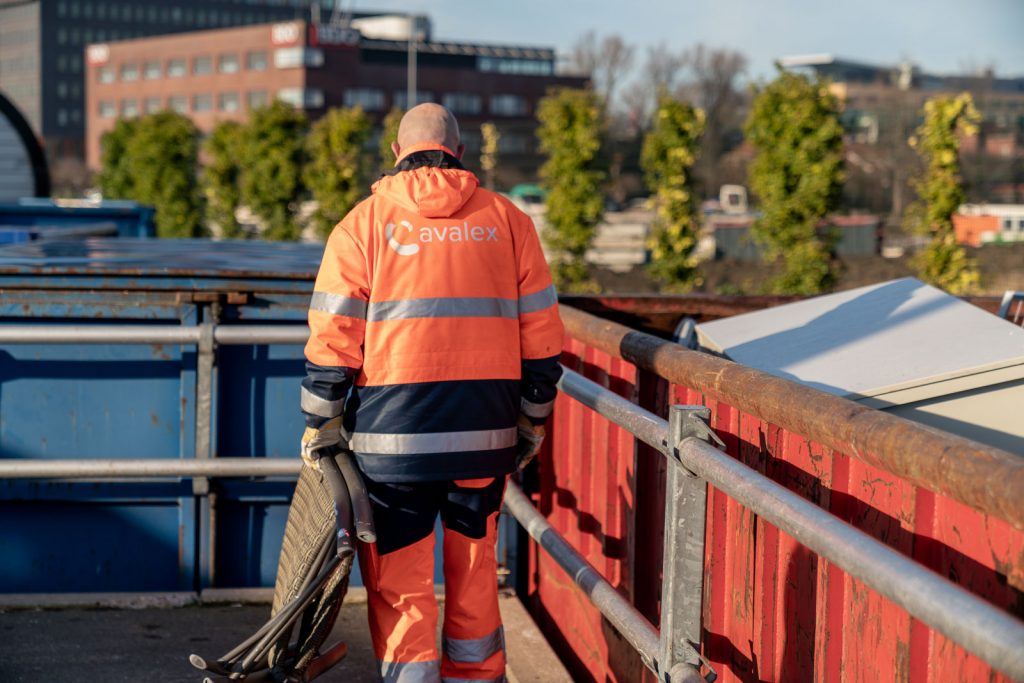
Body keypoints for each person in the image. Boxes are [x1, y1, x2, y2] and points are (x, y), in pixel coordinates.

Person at [299, 103, 564, 683]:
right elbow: (544, 343)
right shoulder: (509, 220)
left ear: (396, 155)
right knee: (473, 569)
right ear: (459, 155)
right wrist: (531, 422)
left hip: (392, 446)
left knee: (401, 583)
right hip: (484, 437)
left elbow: (332, 337)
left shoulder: (362, 224)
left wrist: (321, 420)